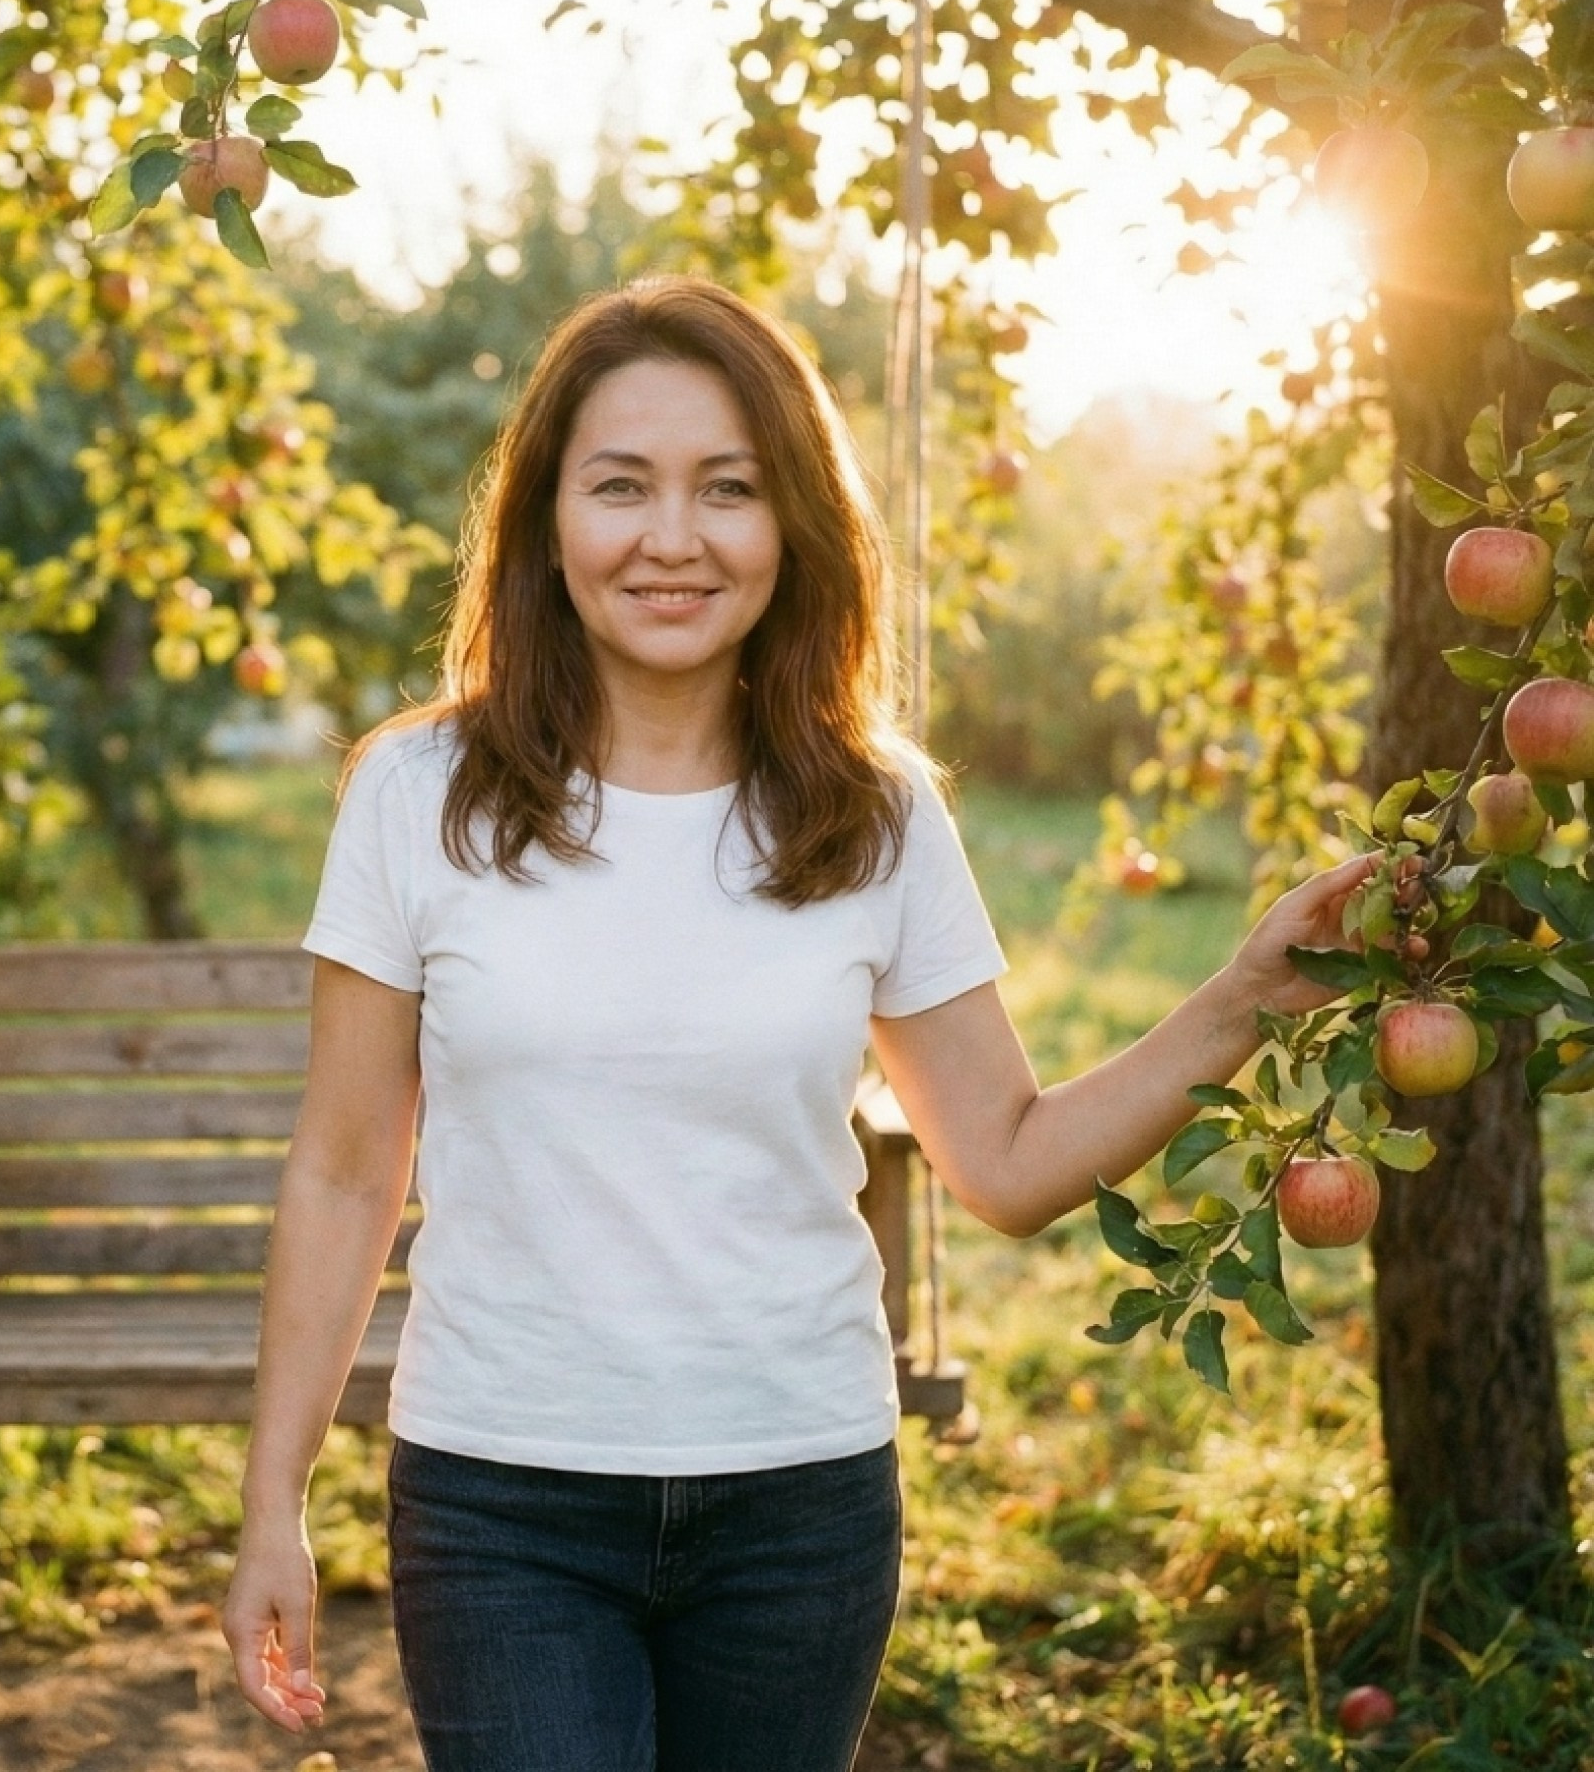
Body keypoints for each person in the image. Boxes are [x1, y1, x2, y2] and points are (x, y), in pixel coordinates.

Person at [219, 273, 1384, 1771]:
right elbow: (342, 1171)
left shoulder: (874, 812)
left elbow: (1006, 1162)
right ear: (544, 522)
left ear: (794, 525)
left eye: (730, 488)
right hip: (505, 1496)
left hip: (801, 1502)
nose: (674, 538)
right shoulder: (418, 795)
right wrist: (273, 1503)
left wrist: (1241, 1003)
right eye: (620, 486)